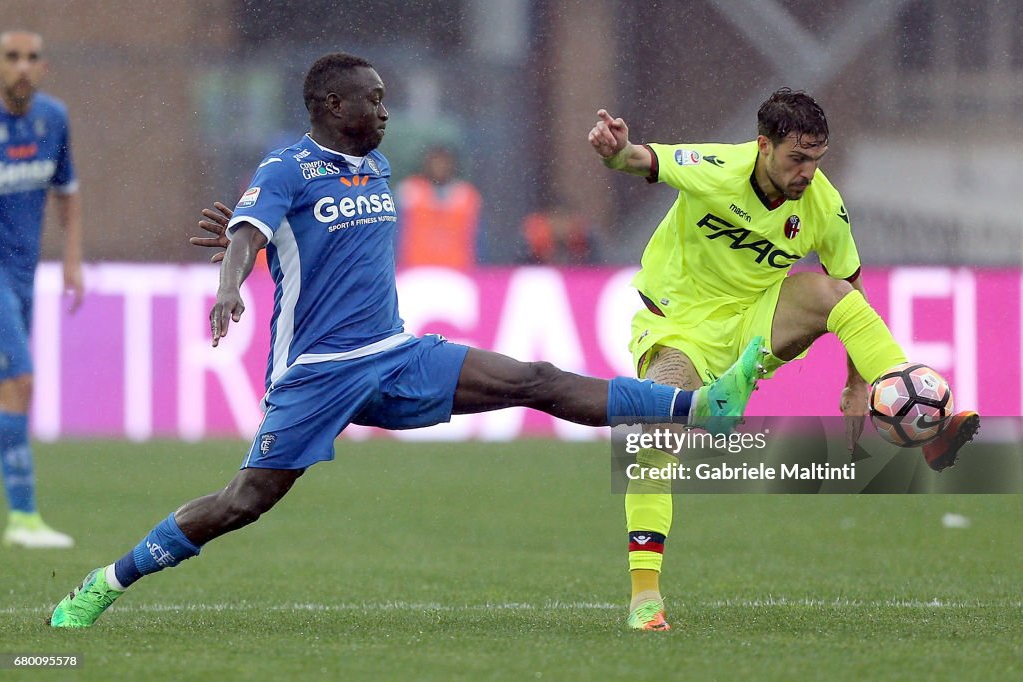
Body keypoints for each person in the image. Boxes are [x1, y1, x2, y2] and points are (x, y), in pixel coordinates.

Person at [48, 53, 766, 628]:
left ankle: (694, 407)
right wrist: (232, 280)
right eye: (376, 98)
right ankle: (105, 582)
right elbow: (246, 230)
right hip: (318, 373)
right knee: (243, 501)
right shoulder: (285, 167)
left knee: (534, 377)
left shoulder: (379, 166)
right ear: (334, 106)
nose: (388, 111)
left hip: (393, 355)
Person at [587, 90, 981, 631]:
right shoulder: (718, 168)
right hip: (680, 328)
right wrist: (614, 147)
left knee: (830, 294)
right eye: (797, 158)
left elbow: (851, 290)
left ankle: (924, 416)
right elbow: (639, 159)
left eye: (817, 159)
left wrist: (856, 384)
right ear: (763, 146)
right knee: (656, 433)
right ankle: (645, 597)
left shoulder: (823, 203)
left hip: (757, 321)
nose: (807, 172)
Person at [0, 30, 82, 549]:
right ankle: (24, 517)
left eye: (31, 58)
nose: (22, 67)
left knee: (9, 386)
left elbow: (67, 192)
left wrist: (72, 260)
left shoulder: (54, 118)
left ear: (44, 67)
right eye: (11, 58)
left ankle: (23, 518)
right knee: (20, 379)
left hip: (24, 272)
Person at [396, 145, 482, 269]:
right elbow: (395, 234)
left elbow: (478, 240)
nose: (440, 167)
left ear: (453, 165)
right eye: (435, 162)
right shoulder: (409, 192)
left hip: (458, 270)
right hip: (415, 271)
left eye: (445, 163)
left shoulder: (467, 196)